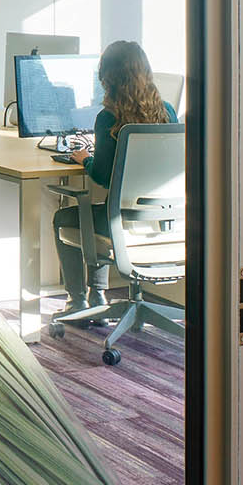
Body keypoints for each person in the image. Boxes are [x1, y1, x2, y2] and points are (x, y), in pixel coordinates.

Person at [55, 40, 177, 314]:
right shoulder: (167, 111)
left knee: (65, 218)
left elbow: (101, 175)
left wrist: (85, 158)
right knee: (98, 211)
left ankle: (81, 300)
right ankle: (97, 295)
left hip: (120, 225)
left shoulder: (108, 118)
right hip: (162, 223)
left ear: (107, 78)